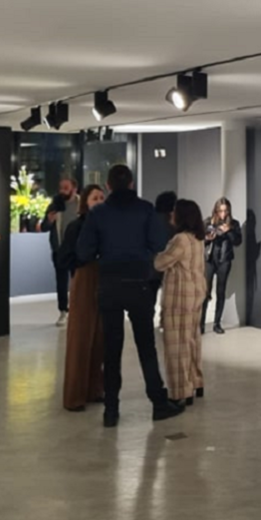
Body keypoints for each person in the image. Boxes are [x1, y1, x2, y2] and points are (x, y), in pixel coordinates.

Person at [76, 164, 185, 428]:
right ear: (132, 183)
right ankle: (158, 403)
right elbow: (159, 243)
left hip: (109, 285)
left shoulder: (98, 213)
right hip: (139, 284)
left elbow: (84, 251)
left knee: (111, 350)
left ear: (108, 186)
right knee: (146, 346)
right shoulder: (145, 210)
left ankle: (111, 410)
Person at [57, 185, 107, 412]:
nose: (99, 201)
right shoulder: (76, 226)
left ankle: (95, 389)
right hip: (85, 279)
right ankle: (74, 395)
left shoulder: (106, 226)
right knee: (81, 339)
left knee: (99, 339)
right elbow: (64, 258)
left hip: (104, 280)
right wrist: (83, 261)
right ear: (85, 202)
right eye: (95, 198)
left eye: (102, 197)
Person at [155, 199, 208, 406]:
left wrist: (154, 256)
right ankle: (196, 382)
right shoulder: (198, 238)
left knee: (176, 346)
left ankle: (180, 392)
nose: (171, 215)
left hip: (179, 297)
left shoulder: (180, 240)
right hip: (196, 294)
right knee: (192, 341)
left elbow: (161, 263)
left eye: (174, 211)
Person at [41, 176, 80, 327]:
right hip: (60, 250)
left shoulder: (81, 204)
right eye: (61, 188)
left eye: (66, 188)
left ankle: (78, 310)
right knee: (61, 283)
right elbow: (44, 227)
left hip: (78, 250)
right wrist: (49, 221)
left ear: (74, 189)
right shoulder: (54, 205)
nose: (62, 191)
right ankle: (63, 311)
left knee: (78, 281)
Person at [201, 197, 242, 335]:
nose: (223, 214)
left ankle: (217, 323)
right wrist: (207, 238)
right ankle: (201, 324)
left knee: (220, 292)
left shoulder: (234, 224)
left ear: (229, 211)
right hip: (209, 260)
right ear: (216, 210)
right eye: (220, 211)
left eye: (225, 211)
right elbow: (199, 240)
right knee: (205, 292)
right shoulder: (208, 222)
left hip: (224, 261)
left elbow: (238, 242)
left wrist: (229, 231)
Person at [150, 191, 178, 317]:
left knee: (150, 299)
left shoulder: (151, 219)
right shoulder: (171, 224)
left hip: (150, 265)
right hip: (167, 266)